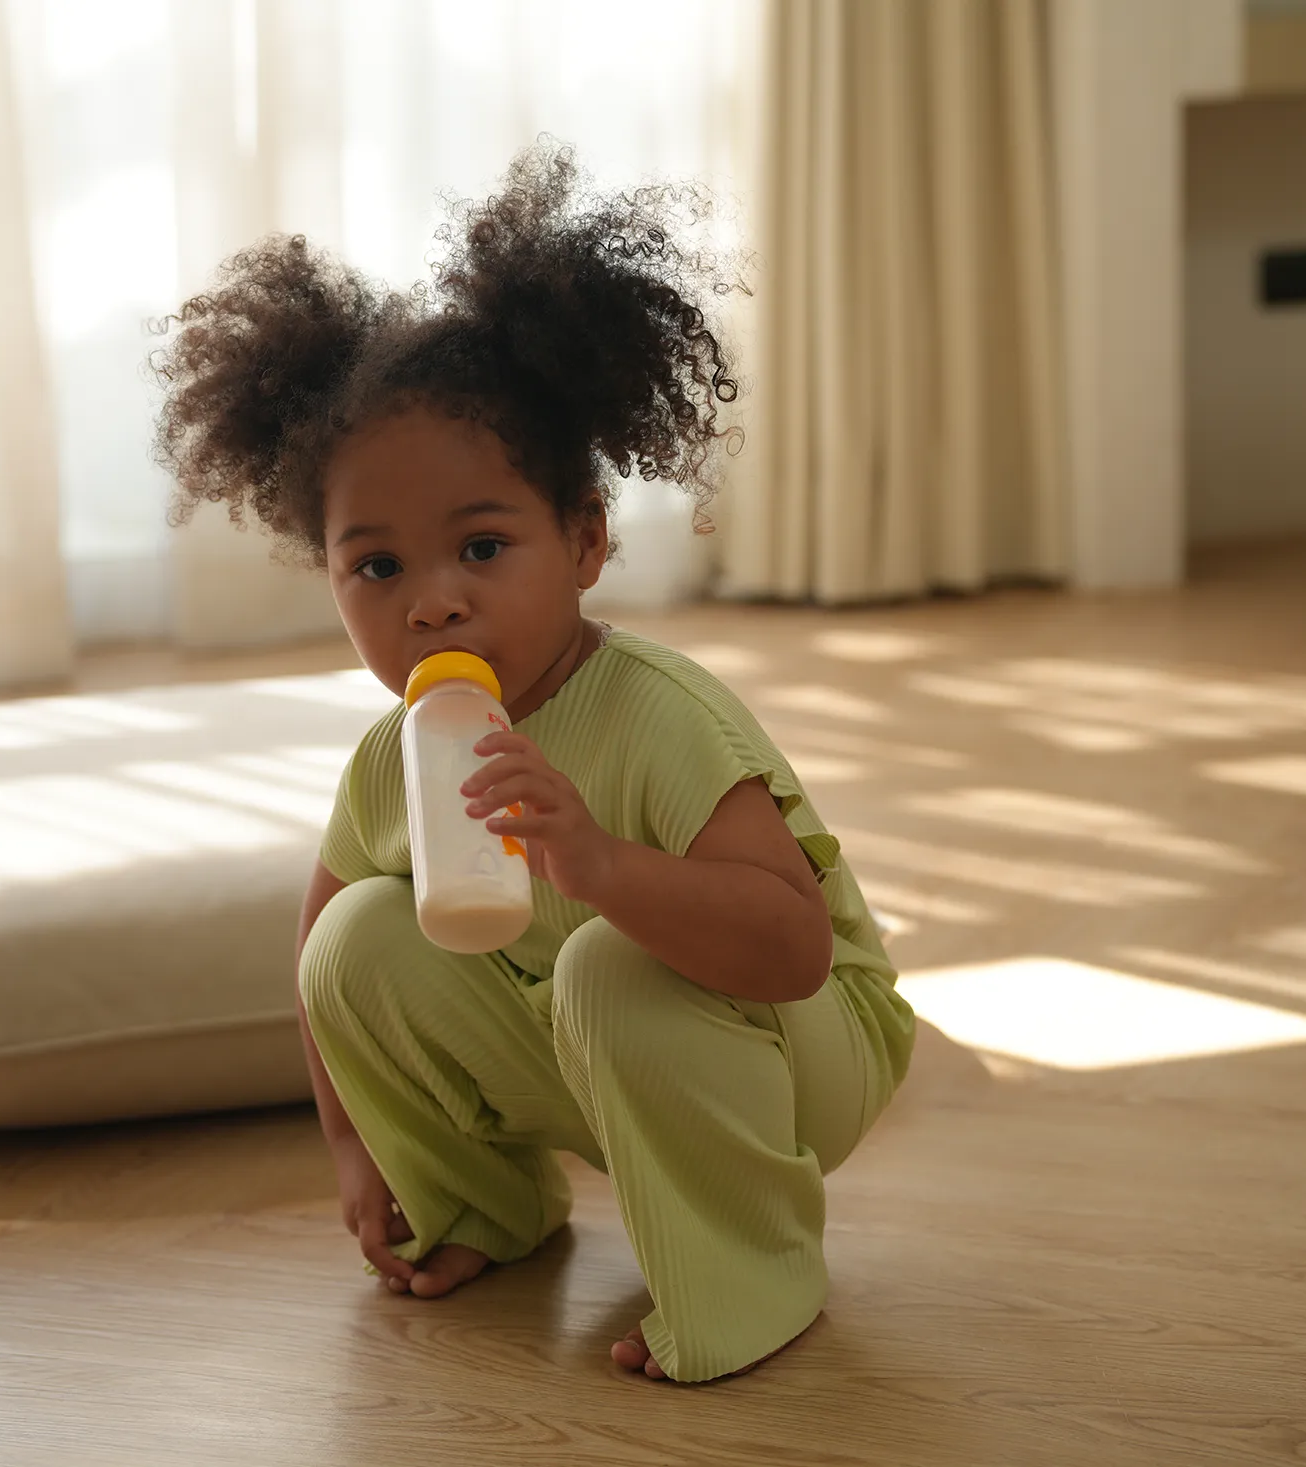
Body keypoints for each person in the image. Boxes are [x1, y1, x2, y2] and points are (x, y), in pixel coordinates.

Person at [151, 142, 912, 1384]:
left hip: (797, 1054)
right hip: (583, 1054)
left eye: (483, 548)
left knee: (611, 964)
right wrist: (357, 1151)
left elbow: (791, 951)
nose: (432, 605)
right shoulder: (393, 756)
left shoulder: (658, 716)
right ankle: (480, 1209)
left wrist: (601, 863)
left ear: (587, 541)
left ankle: (752, 1276)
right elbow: (316, 974)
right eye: (377, 567)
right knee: (360, 941)